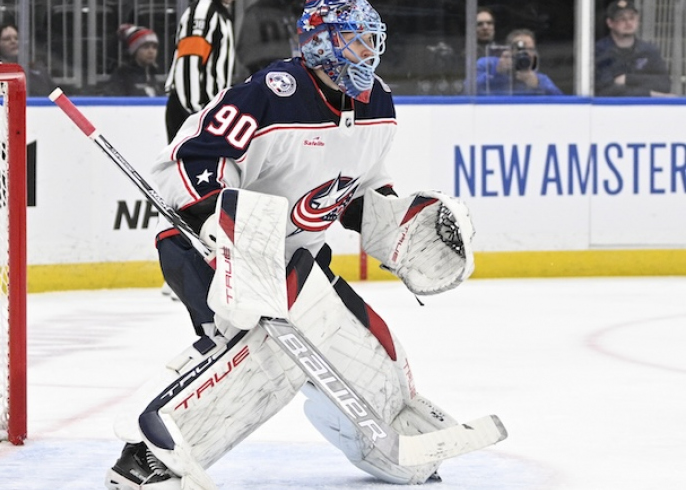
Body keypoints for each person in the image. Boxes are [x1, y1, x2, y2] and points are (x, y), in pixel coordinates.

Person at [103, 0, 479, 488]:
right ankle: (152, 455)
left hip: (295, 262)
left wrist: (399, 229)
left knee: (373, 353)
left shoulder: (378, 105)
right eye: (357, 40)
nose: (371, 51)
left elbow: (357, 193)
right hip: (214, 249)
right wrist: (219, 217)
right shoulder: (269, 95)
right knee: (266, 355)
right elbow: (190, 161)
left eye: (372, 39)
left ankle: (391, 447)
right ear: (322, 44)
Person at [163, 0, 235, 142]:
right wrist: (197, 113)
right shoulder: (203, 12)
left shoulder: (218, 13)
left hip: (204, 110)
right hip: (193, 110)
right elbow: (189, 64)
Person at [595, 0, 673, 97]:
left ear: (638, 20)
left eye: (632, 18)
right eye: (621, 19)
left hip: (645, 110)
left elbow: (664, 84)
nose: (628, 23)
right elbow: (606, 90)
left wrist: (627, 79)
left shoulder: (648, 50)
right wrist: (651, 94)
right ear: (610, 23)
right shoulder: (600, 51)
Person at [475, 28, 562, 95]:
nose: (526, 53)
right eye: (520, 49)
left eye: (530, 49)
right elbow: (467, 90)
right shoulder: (487, 65)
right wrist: (496, 73)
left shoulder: (540, 79)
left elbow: (564, 105)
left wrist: (538, 85)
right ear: (508, 50)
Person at [0, 23, 55, 96]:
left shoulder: (38, 69)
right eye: (7, 39)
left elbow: (54, 94)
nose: (13, 41)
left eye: (17, 38)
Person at [235, 0, 303, 76]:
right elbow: (246, 54)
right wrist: (288, 49)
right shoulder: (257, 12)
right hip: (268, 79)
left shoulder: (305, 10)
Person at [108, 24, 162, 96]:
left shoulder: (153, 74)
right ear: (135, 50)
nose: (151, 51)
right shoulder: (122, 75)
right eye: (146, 47)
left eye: (154, 47)